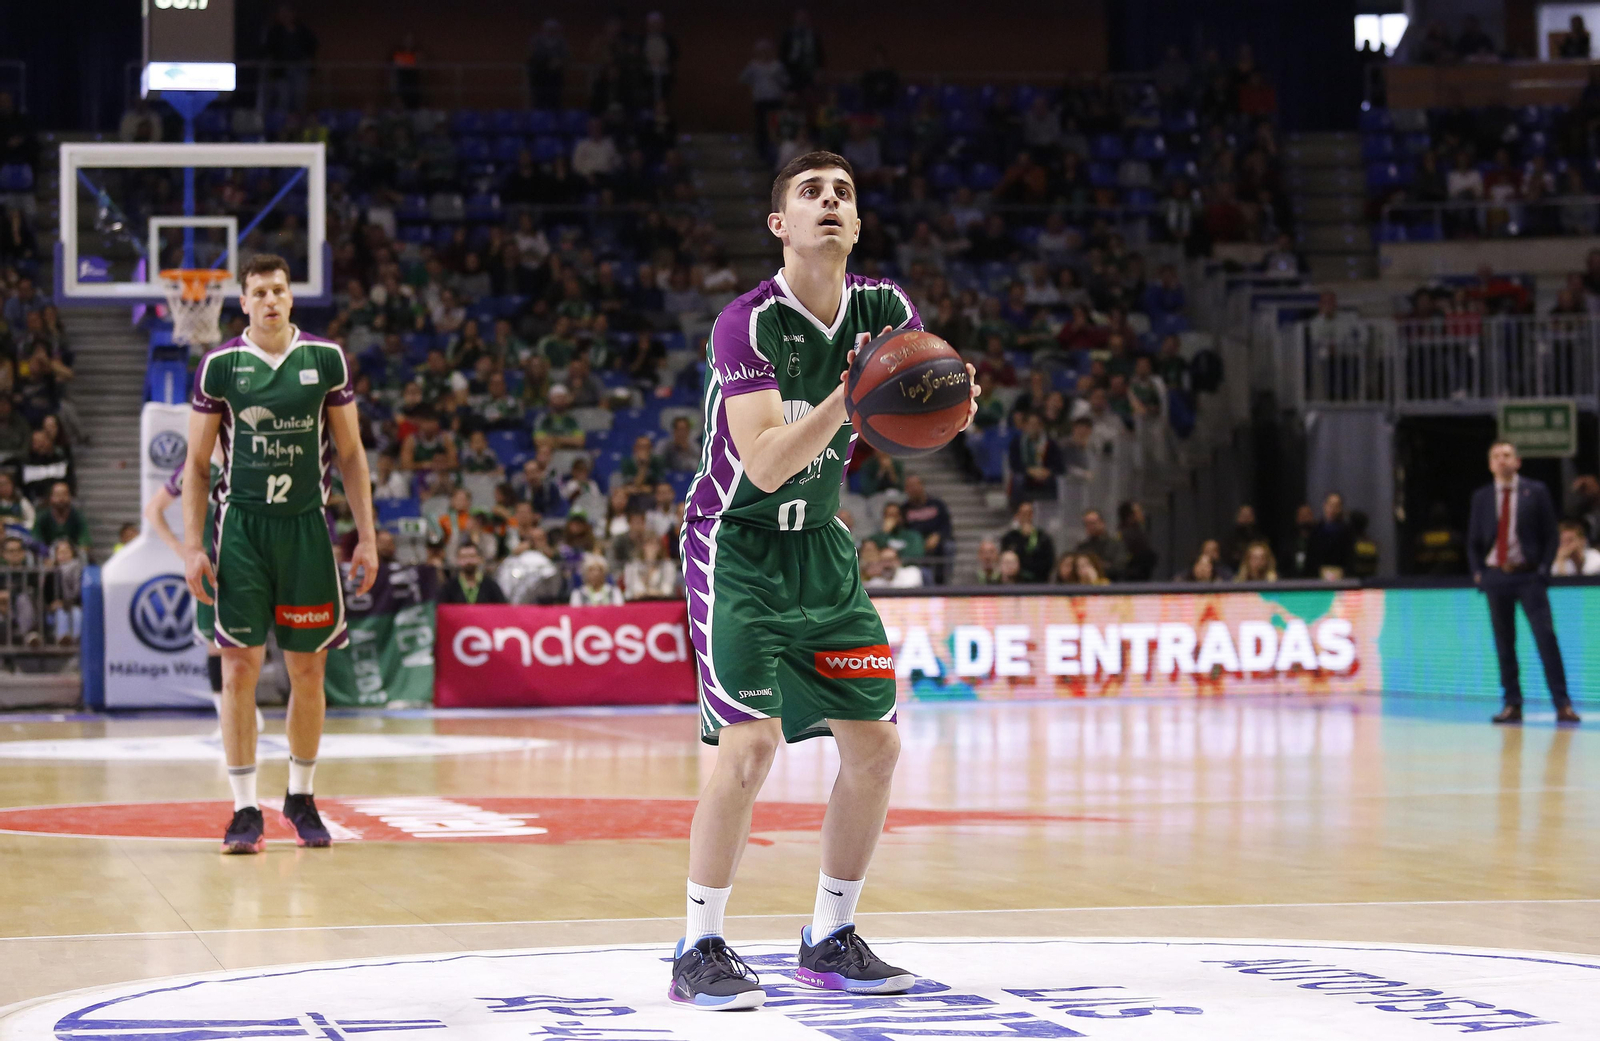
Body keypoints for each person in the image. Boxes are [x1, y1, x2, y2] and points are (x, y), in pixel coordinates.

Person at [672, 149, 978, 1009]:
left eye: (843, 192)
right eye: (811, 193)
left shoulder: (886, 308)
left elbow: (904, 405)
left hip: (823, 548)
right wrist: (855, 390)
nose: (830, 202)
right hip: (736, 543)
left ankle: (829, 935)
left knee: (876, 746)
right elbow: (765, 462)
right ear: (781, 224)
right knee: (751, 746)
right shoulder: (747, 322)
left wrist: (944, 402)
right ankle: (697, 946)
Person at [181, 253, 379, 855]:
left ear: (291, 298)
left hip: (306, 528)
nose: (269, 299)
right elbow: (193, 464)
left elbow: (350, 454)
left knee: (308, 669)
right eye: (258, 291)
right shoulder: (219, 366)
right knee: (237, 667)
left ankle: (301, 795)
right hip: (239, 528)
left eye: (278, 290)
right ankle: (244, 809)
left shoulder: (325, 359)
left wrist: (366, 535)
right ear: (242, 303)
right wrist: (193, 546)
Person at [1468, 442, 1579, 725]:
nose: (1502, 461)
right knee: (1504, 644)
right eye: (1496, 456)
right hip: (1497, 576)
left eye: (1507, 455)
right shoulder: (1481, 497)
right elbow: (1473, 541)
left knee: (1546, 639)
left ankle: (1562, 704)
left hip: (1529, 576)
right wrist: (1480, 573)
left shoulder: (1536, 491)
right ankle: (1512, 704)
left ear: (1517, 461)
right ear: (1490, 464)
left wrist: (1543, 571)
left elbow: (1551, 536)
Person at [1000, 501, 1055, 583]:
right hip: (1015, 582)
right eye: (1023, 513)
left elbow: (1049, 562)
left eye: (1029, 513)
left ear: (1033, 515)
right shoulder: (1009, 538)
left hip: (1039, 582)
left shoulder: (1043, 537)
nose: (1026, 517)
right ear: (1017, 515)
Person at [437, 541, 506, 604]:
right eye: (464, 557)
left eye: (472, 556)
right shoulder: (449, 587)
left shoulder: (491, 586)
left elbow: (502, 609)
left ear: (479, 559)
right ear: (458, 560)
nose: (468, 561)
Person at [1073, 508, 1128, 580]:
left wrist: (1096, 567)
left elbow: (1120, 567)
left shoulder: (1116, 544)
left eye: (1093, 523)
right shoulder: (1082, 548)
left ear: (1102, 523)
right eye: (1087, 524)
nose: (1091, 527)